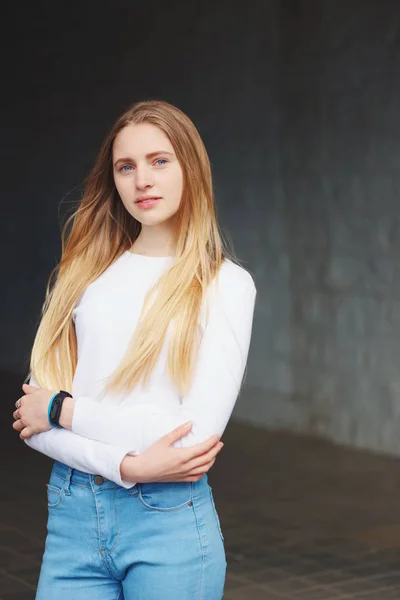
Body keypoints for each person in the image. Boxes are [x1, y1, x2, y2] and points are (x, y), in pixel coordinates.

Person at [12, 100, 257, 600]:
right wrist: (130, 466)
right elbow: (31, 423)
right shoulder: (83, 278)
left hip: (167, 526)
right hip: (71, 522)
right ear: (115, 180)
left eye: (159, 160)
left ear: (191, 167)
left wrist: (66, 409)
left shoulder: (225, 284)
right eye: (127, 166)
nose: (142, 179)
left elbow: (192, 442)